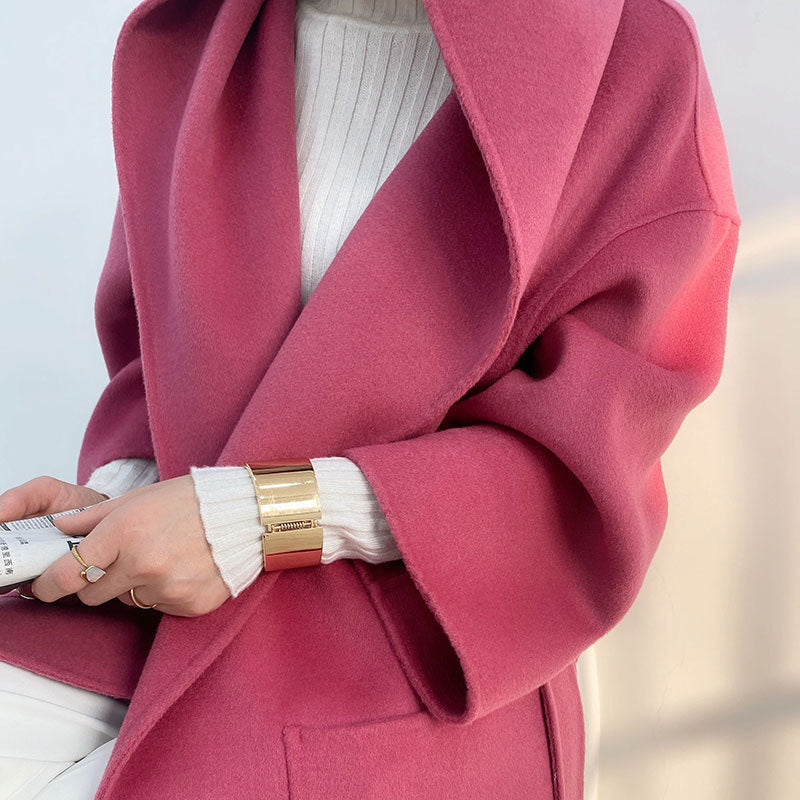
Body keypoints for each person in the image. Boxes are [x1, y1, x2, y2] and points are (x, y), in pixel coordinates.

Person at [0, 0, 740, 798]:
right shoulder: (203, 35)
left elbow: (585, 460)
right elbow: (154, 356)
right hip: (150, 623)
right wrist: (104, 508)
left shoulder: (627, 53)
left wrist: (256, 517)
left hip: (400, 649)